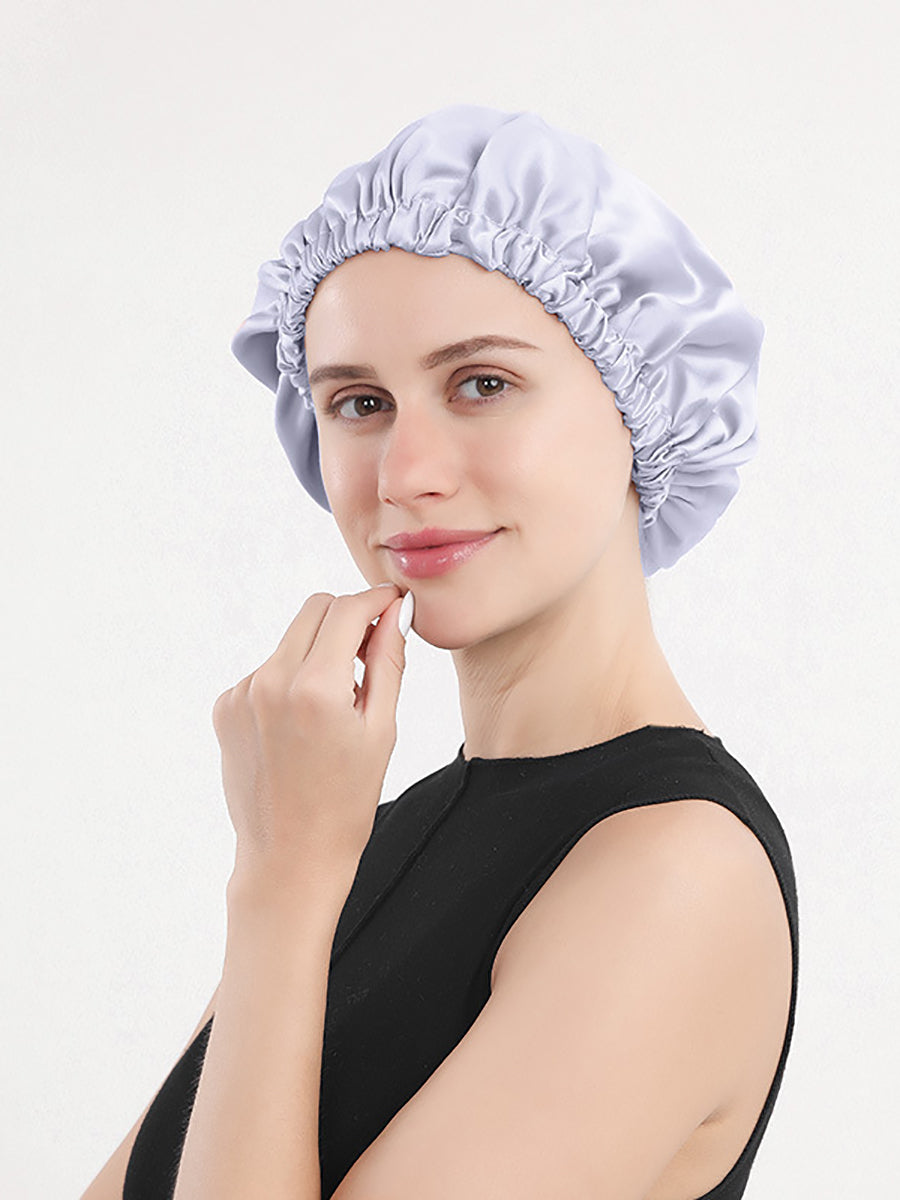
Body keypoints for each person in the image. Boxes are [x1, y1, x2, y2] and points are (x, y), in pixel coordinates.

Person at [80, 104, 798, 1200]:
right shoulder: (353, 834)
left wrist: (280, 883)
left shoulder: (676, 873)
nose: (404, 473)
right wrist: (291, 869)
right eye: (359, 403)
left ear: (639, 397)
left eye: (482, 384)